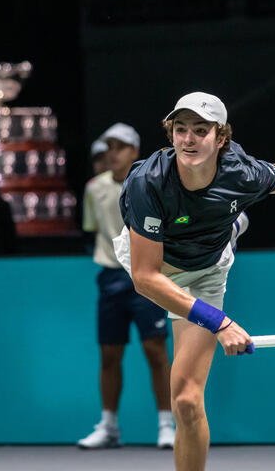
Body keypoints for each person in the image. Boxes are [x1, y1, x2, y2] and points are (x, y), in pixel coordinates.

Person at [113, 92, 275, 471]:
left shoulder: (242, 172)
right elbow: (146, 279)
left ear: (221, 138)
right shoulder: (148, 183)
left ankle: (229, 224)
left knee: (186, 402)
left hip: (207, 271)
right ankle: (232, 223)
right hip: (157, 263)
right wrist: (221, 323)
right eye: (180, 129)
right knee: (168, 267)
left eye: (201, 130)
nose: (188, 139)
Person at [78, 123, 176, 450]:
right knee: (109, 354)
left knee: (155, 351)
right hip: (110, 278)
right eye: (108, 147)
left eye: (120, 147)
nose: (112, 153)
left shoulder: (151, 184)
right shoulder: (94, 188)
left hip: (147, 275)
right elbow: (94, 230)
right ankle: (108, 427)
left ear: (135, 152)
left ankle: (166, 425)